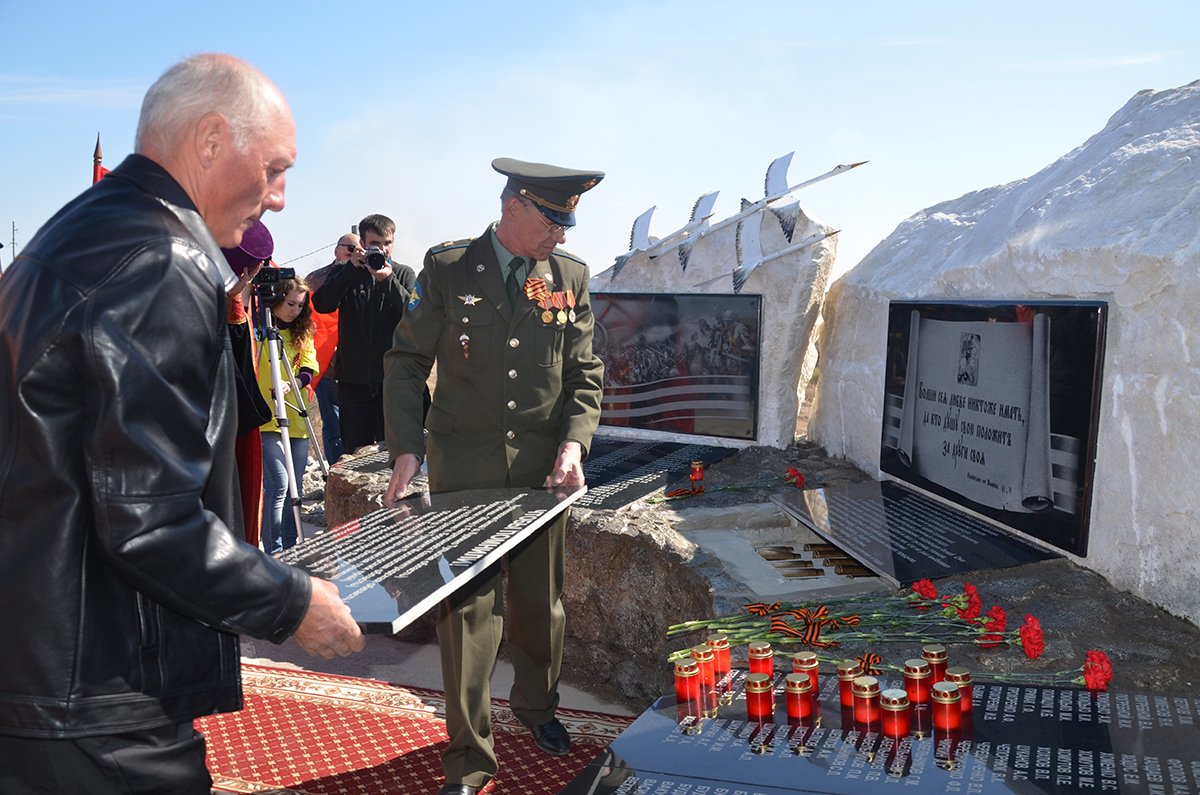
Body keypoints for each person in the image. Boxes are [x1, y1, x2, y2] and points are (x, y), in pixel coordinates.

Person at [0, 53, 364, 794]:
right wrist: (293, 602)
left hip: (44, 661)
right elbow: (148, 518)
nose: (281, 197)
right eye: (274, 169)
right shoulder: (161, 259)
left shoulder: (79, 232)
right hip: (97, 687)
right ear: (210, 139)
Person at [383, 157, 605, 795]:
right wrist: (406, 449)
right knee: (467, 614)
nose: (560, 234)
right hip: (465, 469)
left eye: (566, 224)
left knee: (539, 606)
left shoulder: (569, 277)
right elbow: (406, 361)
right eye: (551, 221)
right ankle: (468, 757)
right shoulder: (450, 268)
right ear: (513, 206)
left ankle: (537, 707)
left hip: (541, 473)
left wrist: (574, 443)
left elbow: (584, 372)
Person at [312, 215, 416, 455]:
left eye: (388, 243)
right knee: (356, 454)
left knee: (396, 453)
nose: (383, 249)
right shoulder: (348, 272)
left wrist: (388, 281)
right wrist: (350, 269)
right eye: (375, 244)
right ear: (362, 243)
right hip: (353, 385)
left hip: (392, 383)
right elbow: (322, 304)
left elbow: (414, 313)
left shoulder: (403, 274)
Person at [257, 275, 319, 554]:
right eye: (291, 303)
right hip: (266, 419)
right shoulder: (258, 332)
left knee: (296, 488)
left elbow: (308, 369)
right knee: (279, 484)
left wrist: (291, 385)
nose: (295, 310)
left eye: (300, 305)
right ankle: (274, 552)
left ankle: (293, 548)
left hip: (296, 419)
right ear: (277, 299)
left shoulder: (302, 332)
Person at [305, 233, 358, 464]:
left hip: (355, 365)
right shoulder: (316, 279)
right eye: (349, 248)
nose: (353, 252)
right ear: (336, 250)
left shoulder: (365, 275)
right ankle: (336, 472)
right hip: (326, 366)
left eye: (358, 248)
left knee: (356, 422)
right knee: (333, 423)